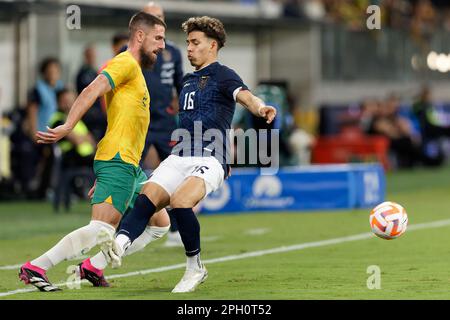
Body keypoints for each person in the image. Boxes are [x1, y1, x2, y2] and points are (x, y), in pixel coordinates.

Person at [99, 16, 277, 293]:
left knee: (181, 201)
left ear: (213, 46)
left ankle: (195, 268)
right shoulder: (186, 80)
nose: (189, 49)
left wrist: (260, 107)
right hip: (181, 154)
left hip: (211, 157)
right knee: (147, 199)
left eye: (195, 43)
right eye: (188, 43)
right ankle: (119, 244)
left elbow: (245, 95)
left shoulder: (223, 74)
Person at [18, 11, 169, 292]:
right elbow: (91, 89)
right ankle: (36, 266)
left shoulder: (135, 70)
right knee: (101, 230)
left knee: (159, 222)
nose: (162, 45)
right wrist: (68, 125)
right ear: (139, 36)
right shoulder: (124, 62)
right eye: (158, 38)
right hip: (118, 161)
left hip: (126, 165)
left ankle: (93, 266)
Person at [140, 2, 185, 248]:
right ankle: (119, 225)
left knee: (177, 173)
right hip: (141, 123)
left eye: (159, 17)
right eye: (151, 16)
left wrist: (183, 112)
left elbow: (180, 83)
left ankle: (177, 229)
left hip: (166, 122)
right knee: (127, 171)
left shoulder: (174, 52)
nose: (156, 20)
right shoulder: (131, 50)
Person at [24, 57, 63, 199]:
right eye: (50, 71)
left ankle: (51, 188)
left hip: (56, 132)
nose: (53, 74)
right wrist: (34, 133)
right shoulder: (38, 89)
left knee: (53, 160)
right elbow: (32, 111)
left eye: (55, 71)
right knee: (42, 161)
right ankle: (38, 190)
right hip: (41, 132)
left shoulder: (60, 88)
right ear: (44, 73)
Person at [76, 44, 107, 143]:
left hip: (98, 113)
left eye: (93, 55)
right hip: (88, 113)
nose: (92, 57)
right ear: (85, 56)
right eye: (90, 55)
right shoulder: (83, 73)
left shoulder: (95, 71)